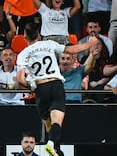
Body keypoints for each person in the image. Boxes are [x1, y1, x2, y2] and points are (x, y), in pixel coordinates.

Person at [16, 22, 97, 156]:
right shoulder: (48, 44)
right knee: (57, 122)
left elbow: (20, 80)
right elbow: (70, 50)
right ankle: (51, 146)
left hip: (40, 88)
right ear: (39, 35)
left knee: (49, 126)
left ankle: (55, 150)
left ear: (25, 37)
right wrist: (90, 43)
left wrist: (31, 85)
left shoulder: (22, 55)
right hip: (55, 85)